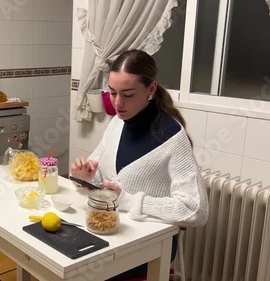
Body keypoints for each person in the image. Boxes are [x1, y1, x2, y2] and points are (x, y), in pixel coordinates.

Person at [70, 49, 208, 280]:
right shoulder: (117, 122)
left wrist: (129, 201)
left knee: (81, 273)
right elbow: (101, 181)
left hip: (147, 246)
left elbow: (196, 210)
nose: (117, 103)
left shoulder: (172, 137)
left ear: (151, 89)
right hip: (111, 231)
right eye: (113, 92)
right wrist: (84, 177)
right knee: (67, 262)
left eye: (128, 94)